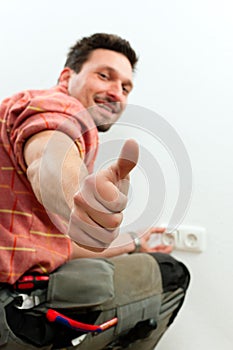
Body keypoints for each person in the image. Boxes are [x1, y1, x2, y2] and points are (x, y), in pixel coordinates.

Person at [0, 33, 190, 350]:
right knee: (171, 274)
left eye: (126, 87)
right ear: (67, 76)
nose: (116, 92)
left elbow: (61, 246)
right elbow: (48, 157)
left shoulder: (15, 108)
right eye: (105, 76)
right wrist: (75, 192)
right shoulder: (57, 106)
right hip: (12, 312)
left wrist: (136, 242)